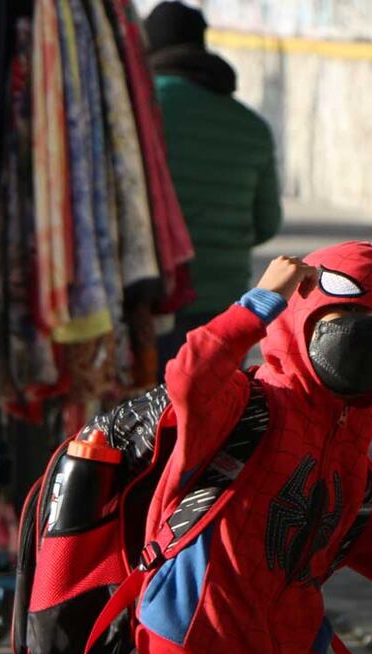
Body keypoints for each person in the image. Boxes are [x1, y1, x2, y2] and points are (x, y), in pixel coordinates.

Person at [134, 241, 372, 654]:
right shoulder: (243, 410)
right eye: (348, 312)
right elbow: (189, 377)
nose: (365, 331)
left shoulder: (355, 475)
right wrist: (260, 303)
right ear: (303, 317)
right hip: (188, 648)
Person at [145, 2, 283, 376]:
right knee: (213, 419)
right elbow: (267, 222)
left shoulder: (136, 112)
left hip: (148, 299)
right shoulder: (251, 125)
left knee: (138, 427)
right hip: (224, 303)